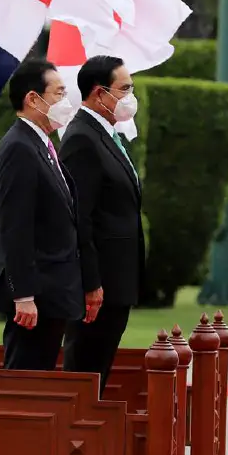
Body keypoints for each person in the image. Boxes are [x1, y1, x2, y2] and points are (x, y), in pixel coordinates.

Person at [0, 59, 86, 371]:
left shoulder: (40, 145)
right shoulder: (19, 146)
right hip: (35, 295)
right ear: (33, 99)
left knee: (40, 380)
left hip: (52, 290)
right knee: (25, 383)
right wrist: (23, 295)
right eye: (58, 93)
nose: (65, 102)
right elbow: (15, 226)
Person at [59, 56, 145, 395]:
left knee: (99, 369)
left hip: (117, 279)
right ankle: (74, 442)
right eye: (124, 89)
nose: (130, 97)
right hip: (99, 285)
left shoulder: (107, 134)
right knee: (86, 371)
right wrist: (90, 283)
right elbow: (80, 217)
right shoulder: (82, 138)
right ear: (99, 93)